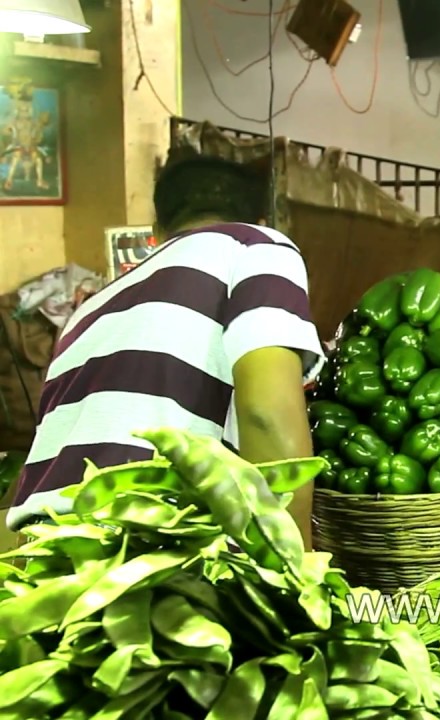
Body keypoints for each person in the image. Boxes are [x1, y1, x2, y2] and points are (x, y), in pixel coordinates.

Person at [6, 153, 326, 547]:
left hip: (41, 551)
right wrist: (297, 570)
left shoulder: (85, 312)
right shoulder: (257, 245)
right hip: (153, 546)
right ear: (261, 220)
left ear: (156, 232)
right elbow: (266, 413)